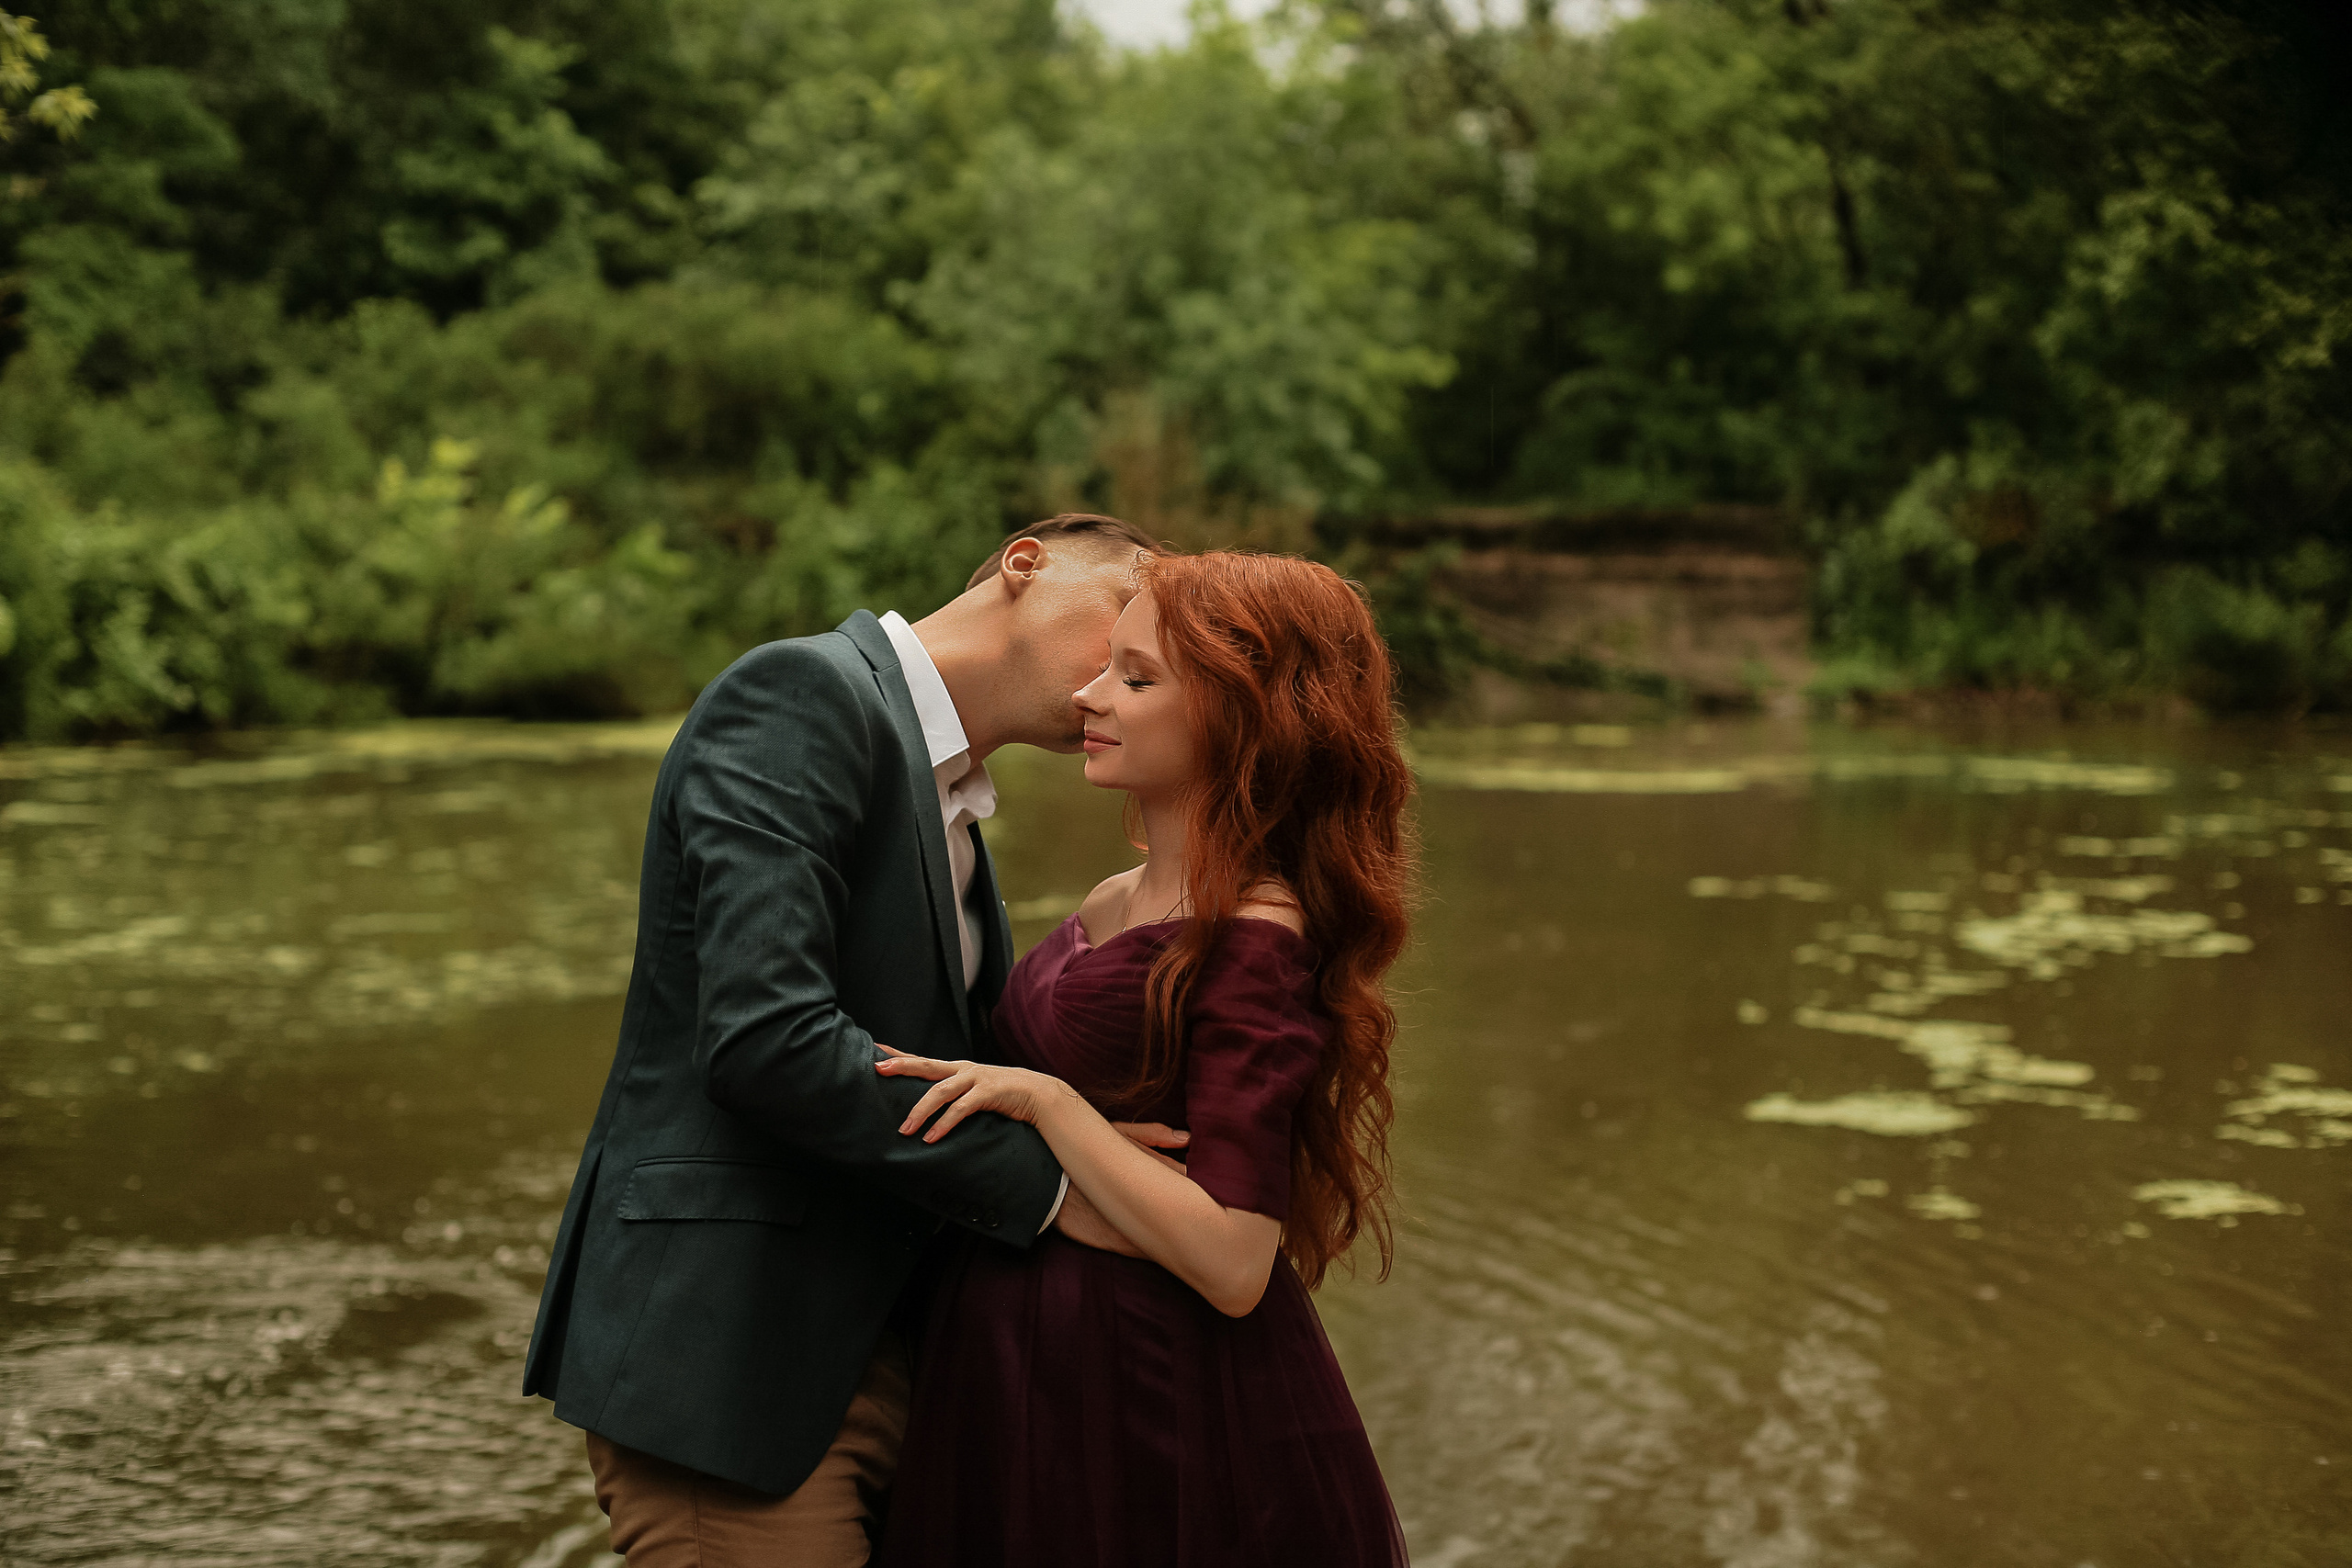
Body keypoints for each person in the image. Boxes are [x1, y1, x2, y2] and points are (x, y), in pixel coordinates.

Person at [522, 513, 1172, 1566]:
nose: (1128, 675)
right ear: (1024, 562)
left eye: (1158, 664)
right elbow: (766, 1039)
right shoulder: (801, 695)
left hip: (889, 1351)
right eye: (1121, 627)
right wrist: (1057, 1190)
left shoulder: (948, 798)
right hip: (733, 1362)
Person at [871, 550, 1417, 1567]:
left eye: (1135, 677)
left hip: (1143, 1386)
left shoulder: (1256, 935)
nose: (1088, 695)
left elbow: (1235, 1259)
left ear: (1242, 716)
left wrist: (1051, 1109)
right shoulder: (1115, 900)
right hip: (1014, 1355)